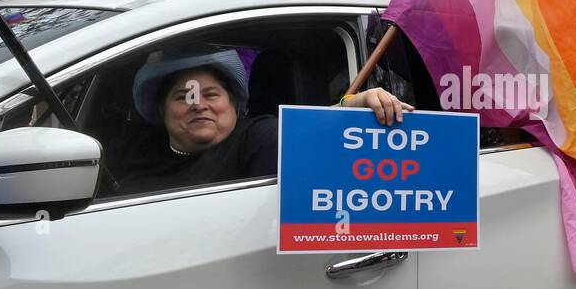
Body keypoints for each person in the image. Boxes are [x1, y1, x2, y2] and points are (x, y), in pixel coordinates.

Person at [119, 44, 413, 195]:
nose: (199, 105)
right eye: (184, 96)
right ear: (161, 109)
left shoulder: (259, 139)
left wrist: (355, 103)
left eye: (211, 94)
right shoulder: (136, 153)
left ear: (234, 104)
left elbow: (312, 132)